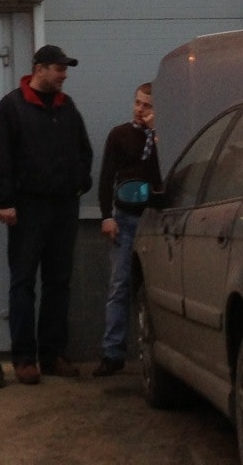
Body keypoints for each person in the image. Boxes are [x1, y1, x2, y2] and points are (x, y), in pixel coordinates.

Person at [0, 43, 94, 385]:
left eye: (65, 70)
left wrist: (80, 182)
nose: (64, 76)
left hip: (64, 207)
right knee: (23, 282)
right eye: (59, 69)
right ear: (40, 69)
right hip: (27, 208)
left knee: (58, 282)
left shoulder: (67, 107)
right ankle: (24, 358)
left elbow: (83, 149)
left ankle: (52, 355)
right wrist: (5, 200)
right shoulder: (11, 108)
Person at [92, 80, 161, 376]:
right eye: (137, 103)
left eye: (147, 106)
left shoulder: (164, 137)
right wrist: (106, 216)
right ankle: (113, 352)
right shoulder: (120, 135)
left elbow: (167, 171)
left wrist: (157, 134)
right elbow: (107, 176)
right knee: (119, 285)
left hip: (156, 218)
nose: (140, 110)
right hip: (126, 217)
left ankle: (159, 351)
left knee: (157, 286)